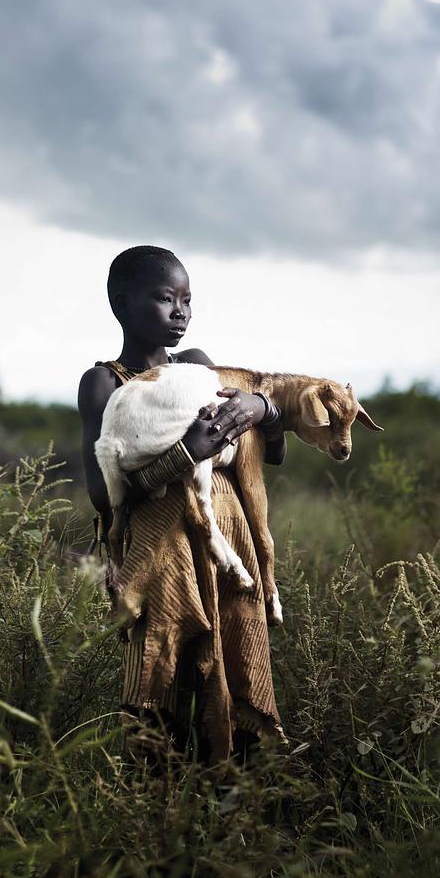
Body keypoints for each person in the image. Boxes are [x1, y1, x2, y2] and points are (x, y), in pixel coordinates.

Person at [77, 245, 287, 766]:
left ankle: (233, 811)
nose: (181, 312)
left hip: (226, 542)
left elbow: (271, 451)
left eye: (188, 300)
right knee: (160, 684)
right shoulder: (105, 382)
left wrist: (261, 406)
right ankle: (156, 812)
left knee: (234, 670)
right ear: (121, 304)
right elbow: (104, 494)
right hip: (159, 553)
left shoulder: (196, 367)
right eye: (164, 298)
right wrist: (185, 453)